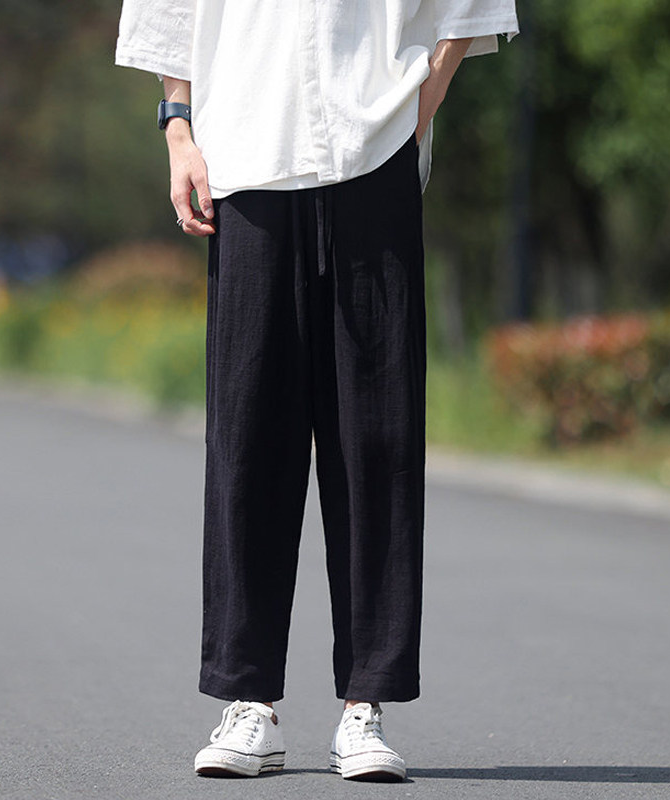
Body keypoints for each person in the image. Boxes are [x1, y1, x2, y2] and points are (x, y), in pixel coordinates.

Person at [116, 0, 518, 781]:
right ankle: (248, 702)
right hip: (243, 159)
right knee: (248, 437)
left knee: (378, 439)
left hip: (372, 150)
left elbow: (467, 8)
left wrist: (418, 107)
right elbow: (169, 12)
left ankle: (365, 704)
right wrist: (178, 131)